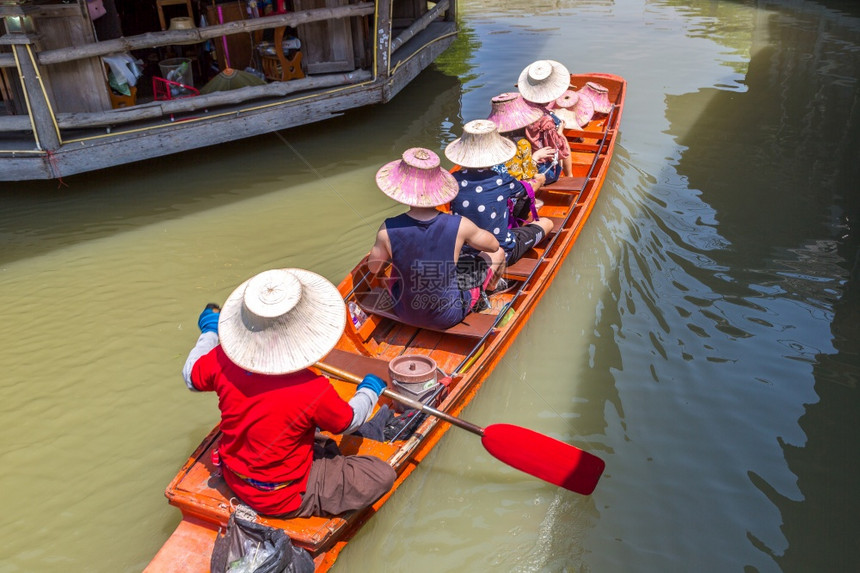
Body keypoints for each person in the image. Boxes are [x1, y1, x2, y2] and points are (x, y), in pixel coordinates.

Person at [182, 268, 396, 518]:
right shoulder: (312, 389)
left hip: (235, 476)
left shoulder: (222, 360)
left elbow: (191, 376)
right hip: (283, 497)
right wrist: (369, 391)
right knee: (381, 474)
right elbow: (349, 422)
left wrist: (210, 332)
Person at [367, 147, 505, 329]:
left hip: (404, 312)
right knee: (498, 254)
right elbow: (493, 246)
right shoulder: (460, 224)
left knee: (396, 267)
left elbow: (373, 267)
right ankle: (488, 290)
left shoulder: (387, 229)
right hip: (447, 317)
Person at [445, 119, 554, 273]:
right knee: (547, 223)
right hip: (502, 250)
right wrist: (540, 180)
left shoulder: (454, 179)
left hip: (465, 251)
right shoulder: (501, 180)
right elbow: (527, 190)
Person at [516, 59, 574, 182]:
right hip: (544, 172)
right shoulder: (547, 121)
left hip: (521, 166)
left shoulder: (518, 110)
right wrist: (560, 132)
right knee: (561, 138)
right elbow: (558, 147)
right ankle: (569, 176)